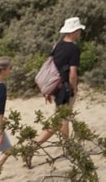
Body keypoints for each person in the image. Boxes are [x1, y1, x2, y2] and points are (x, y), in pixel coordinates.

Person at [30, 16, 84, 159]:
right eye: (78, 30)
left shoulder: (58, 45)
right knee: (61, 121)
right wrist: (74, 89)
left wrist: (49, 90)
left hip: (55, 87)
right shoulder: (74, 49)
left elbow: (51, 67)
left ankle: (67, 148)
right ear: (74, 31)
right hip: (64, 89)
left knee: (63, 119)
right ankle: (34, 146)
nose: (79, 33)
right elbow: (73, 73)